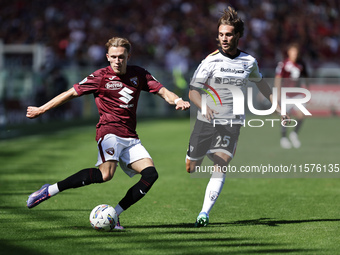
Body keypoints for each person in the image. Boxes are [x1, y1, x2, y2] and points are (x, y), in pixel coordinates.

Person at [26, 37, 190, 229]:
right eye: (113, 57)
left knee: (151, 174)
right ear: (107, 57)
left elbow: (162, 91)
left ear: (128, 56)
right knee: (106, 175)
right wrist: (41, 109)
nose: (117, 60)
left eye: (121, 57)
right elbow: (70, 93)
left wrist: (177, 100)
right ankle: (50, 190)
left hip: (130, 137)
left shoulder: (139, 74)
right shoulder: (100, 77)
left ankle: (116, 214)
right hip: (109, 132)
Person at [185, 7, 289, 227]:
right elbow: (193, 91)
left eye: (229, 34)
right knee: (191, 167)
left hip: (231, 122)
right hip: (206, 122)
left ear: (238, 36)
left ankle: (204, 213)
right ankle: (203, 153)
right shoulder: (210, 61)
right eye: (221, 34)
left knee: (221, 164)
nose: (224, 38)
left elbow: (261, 83)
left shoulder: (248, 62)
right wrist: (204, 105)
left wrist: (279, 107)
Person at [275, 43, 309, 149]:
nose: (295, 54)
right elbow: (278, 78)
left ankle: (294, 134)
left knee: (301, 114)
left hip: (297, 94)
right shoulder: (283, 64)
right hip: (286, 94)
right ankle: (284, 138)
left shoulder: (301, 64)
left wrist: (307, 89)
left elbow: (306, 77)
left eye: (296, 52)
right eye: (293, 51)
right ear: (289, 52)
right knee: (285, 116)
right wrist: (278, 92)